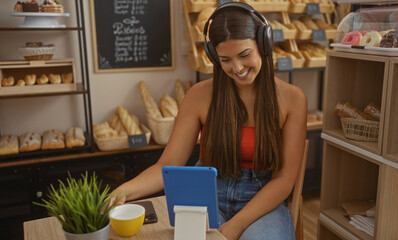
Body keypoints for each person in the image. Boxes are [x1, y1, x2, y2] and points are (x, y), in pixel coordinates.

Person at [109, 2, 307, 240]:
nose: (237, 68)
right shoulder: (198, 96)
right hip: (206, 194)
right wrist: (122, 191)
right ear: (214, 57)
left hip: (263, 200)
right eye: (225, 59)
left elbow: (284, 181)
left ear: (264, 44)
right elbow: (168, 165)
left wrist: (236, 226)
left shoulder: (293, 99)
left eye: (245, 55)